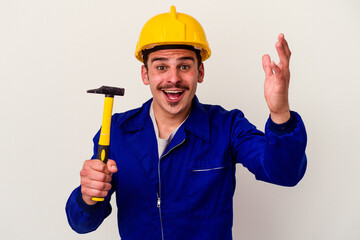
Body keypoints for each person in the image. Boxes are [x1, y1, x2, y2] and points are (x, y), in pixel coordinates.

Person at [66, 6, 307, 240]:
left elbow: (284, 173)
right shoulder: (117, 131)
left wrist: (280, 113)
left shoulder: (228, 126)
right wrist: (87, 196)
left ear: (200, 72)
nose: (173, 78)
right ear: (145, 74)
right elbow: (82, 223)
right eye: (161, 66)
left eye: (184, 66)